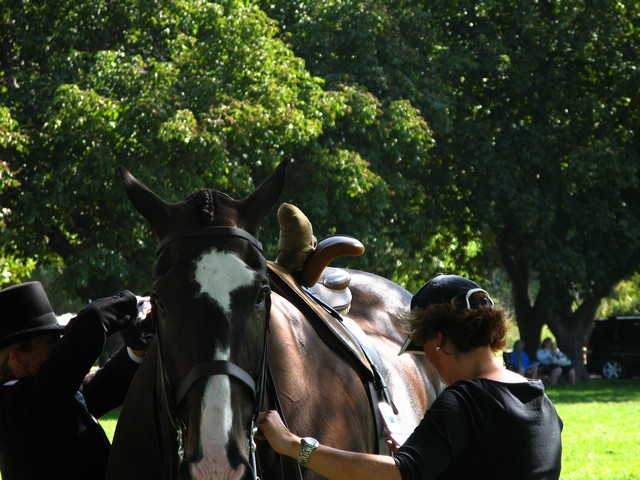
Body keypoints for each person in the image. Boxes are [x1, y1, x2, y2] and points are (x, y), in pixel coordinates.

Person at [257, 274, 563, 479]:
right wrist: (428, 451)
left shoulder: (462, 402)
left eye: (422, 348)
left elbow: (398, 475)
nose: (427, 358)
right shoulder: (542, 403)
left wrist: (294, 445)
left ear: (438, 340)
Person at [0, 281, 153, 480]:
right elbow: (89, 324)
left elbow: (106, 384)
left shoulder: (43, 398)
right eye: (52, 341)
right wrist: (134, 304)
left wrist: (136, 348)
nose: (59, 347)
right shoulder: (17, 410)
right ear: (17, 360)